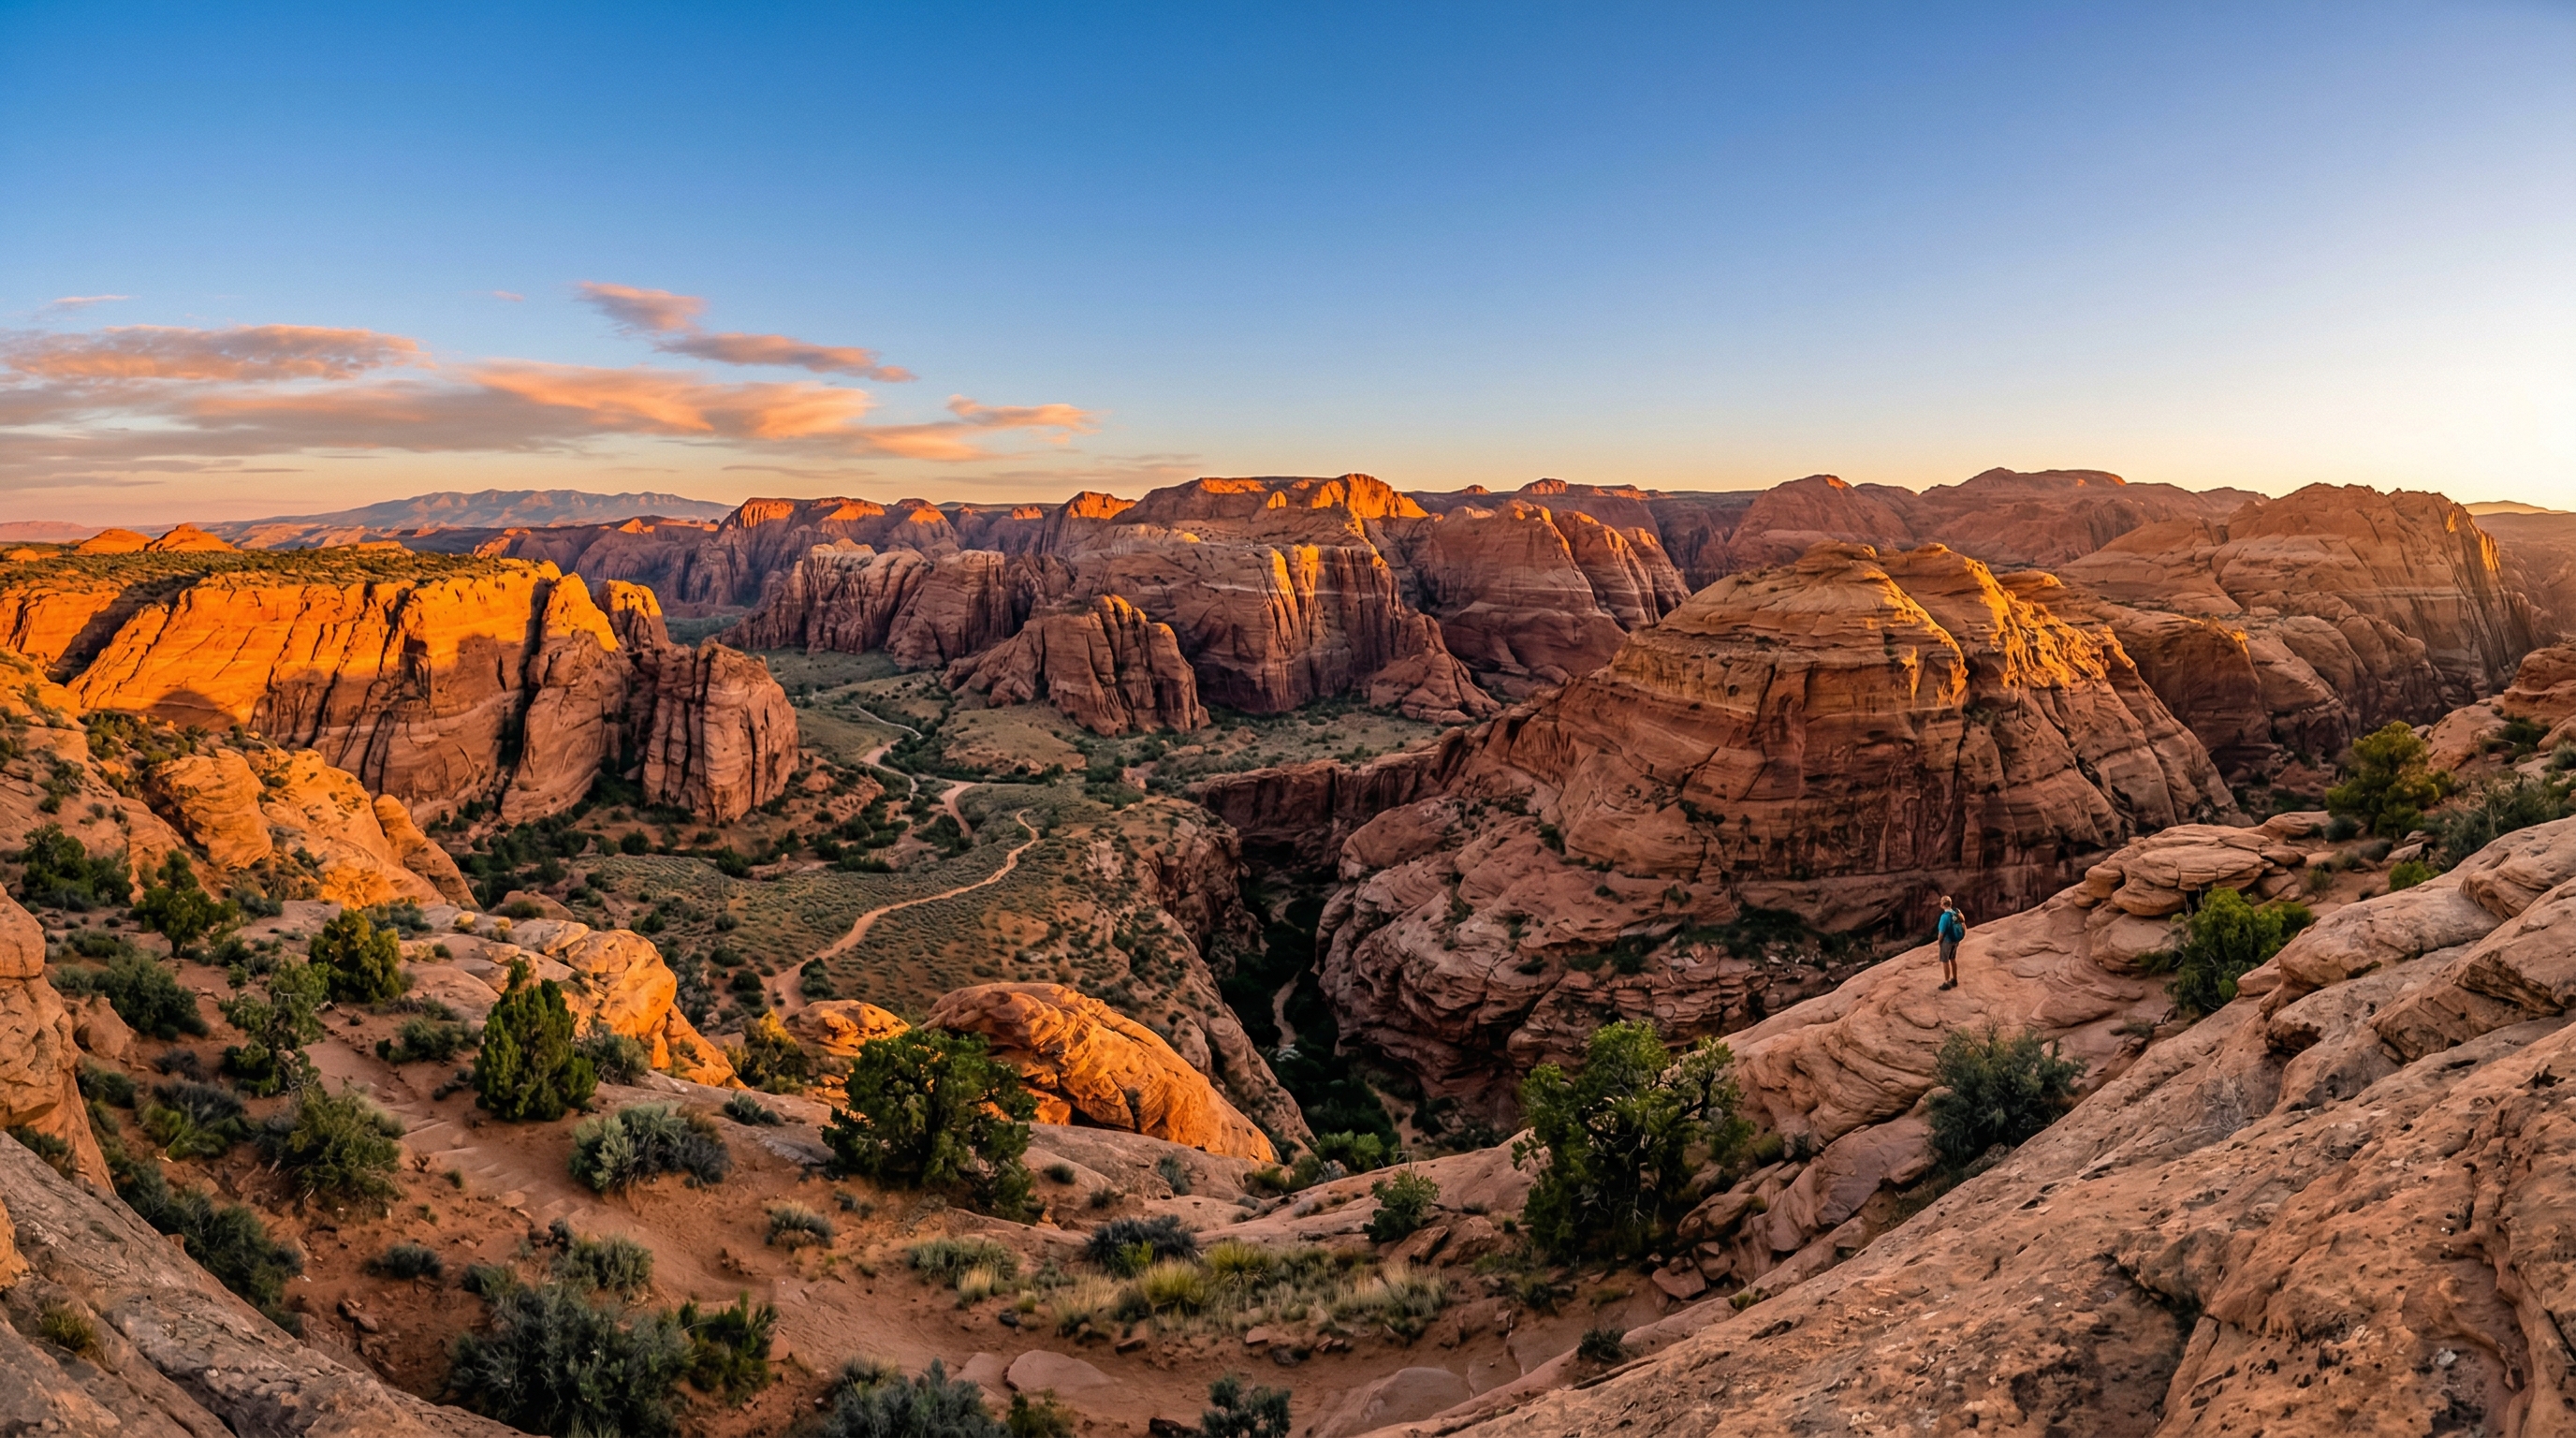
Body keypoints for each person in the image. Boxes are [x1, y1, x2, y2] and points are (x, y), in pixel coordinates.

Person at [1935, 897, 1966, 990]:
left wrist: (1939, 941)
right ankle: (1955, 980)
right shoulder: (1956, 912)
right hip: (1956, 940)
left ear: (1942, 905)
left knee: (1945, 961)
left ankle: (1946, 982)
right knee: (1953, 959)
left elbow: (1941, 933)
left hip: (1947, 941)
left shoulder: (1945, 917)